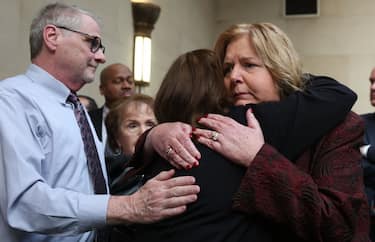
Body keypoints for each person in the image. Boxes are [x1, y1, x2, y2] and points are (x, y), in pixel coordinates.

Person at [130, 23, 369, 241]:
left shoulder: (338, 125)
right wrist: (154, 134)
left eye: (249, 65)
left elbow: (339, 229)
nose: (234, 77)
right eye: (227, 69)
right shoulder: (223, 121)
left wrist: (258, 158)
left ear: (279, 69)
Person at [0, 3, 199, 242]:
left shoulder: (73, 106)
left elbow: (91, 177)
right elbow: (25, 203)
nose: (101, 56)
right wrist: (130, 207)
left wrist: (151, 139)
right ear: (52, 37)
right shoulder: (11, 101)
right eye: (92, 43)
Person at [105, 94, 157, 194]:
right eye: (133, 126)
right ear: (116, 138)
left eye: (150, 124)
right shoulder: (104, 177)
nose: (143, 132)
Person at [89, 63, 135, 143]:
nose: (126, 86)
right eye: (118, 81)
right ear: (102, 89)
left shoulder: (146, 120)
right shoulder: (88, 119)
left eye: (130, 81)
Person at [360, 67, 375, 241]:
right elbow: (355, 168)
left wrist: (368, 151)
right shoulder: (358, 124)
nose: (372, 87)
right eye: (371, 81)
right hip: (366, 223)